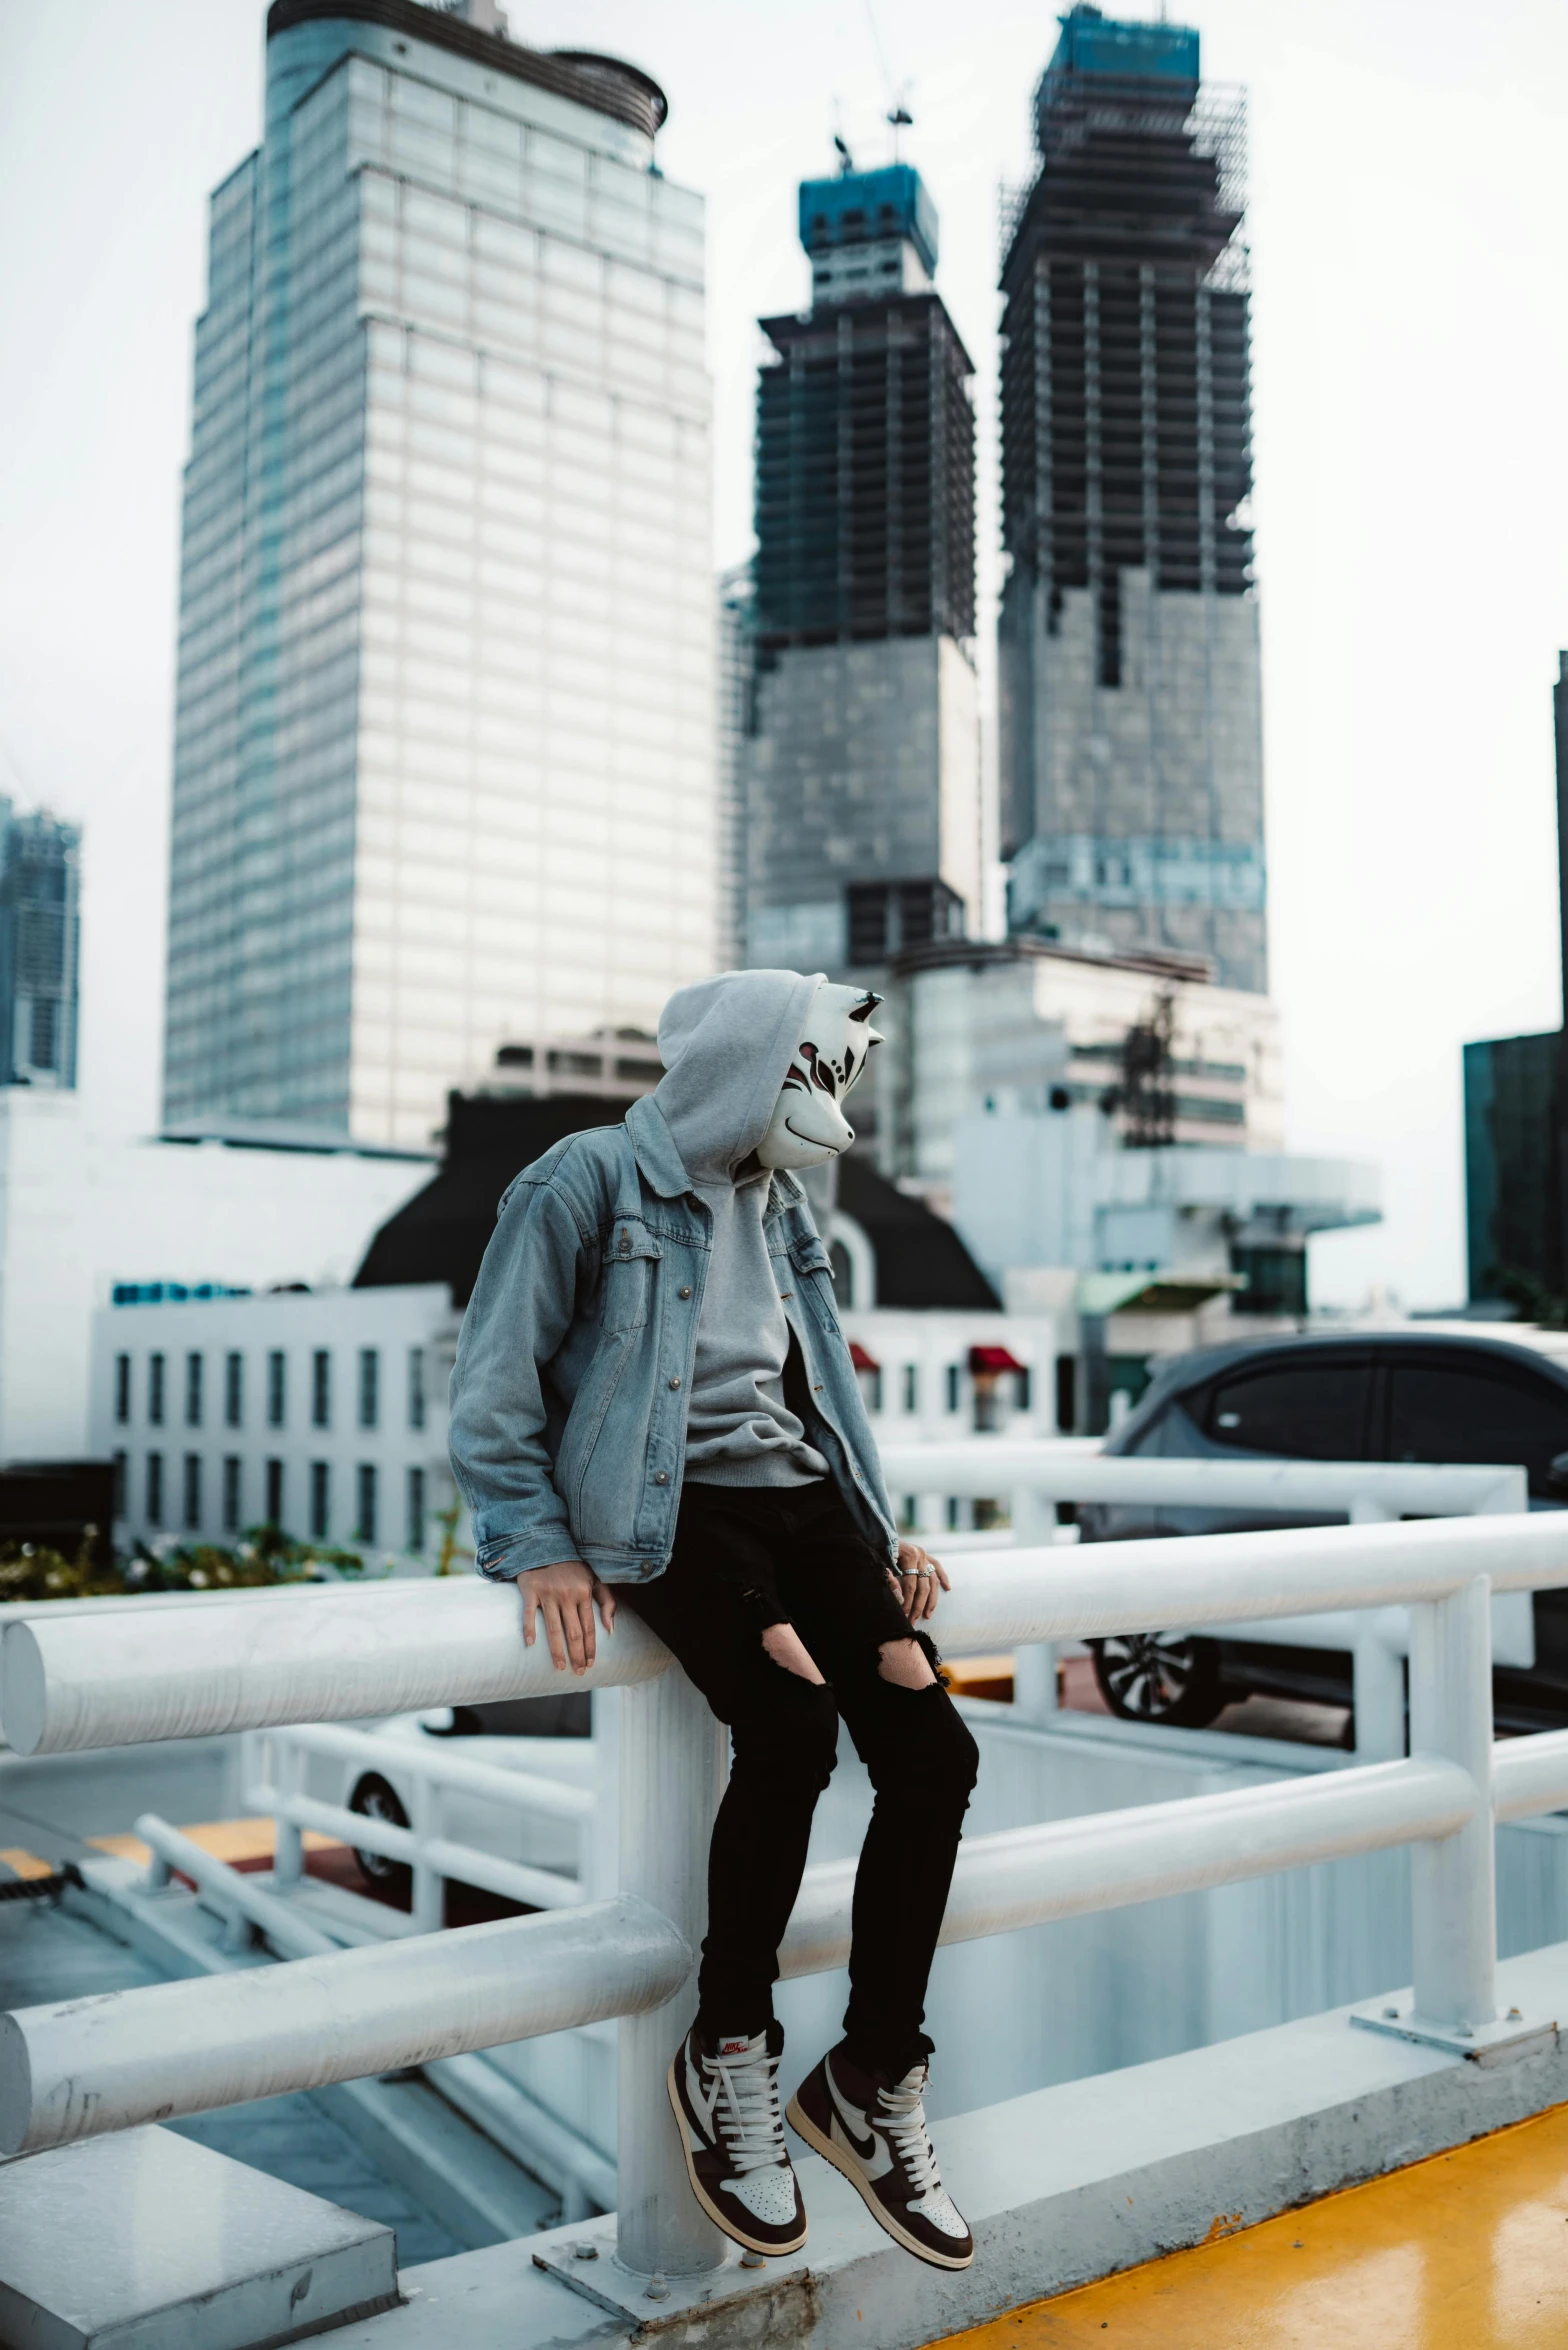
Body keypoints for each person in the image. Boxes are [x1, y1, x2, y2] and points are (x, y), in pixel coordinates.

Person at [449, 969, 980, 2271]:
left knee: (935, 1750)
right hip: (665, 1514)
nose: (828, 1103)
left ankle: (870, 2074)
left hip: (806, 1510)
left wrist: (878, 1527)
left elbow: (821, 1393)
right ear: (752, 1064)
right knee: (792, 1727)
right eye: (815, 1074)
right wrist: (538, 1545)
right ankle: (729, 2041)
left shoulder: (782, 1199)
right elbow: (493, 1386)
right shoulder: (579, 1182)